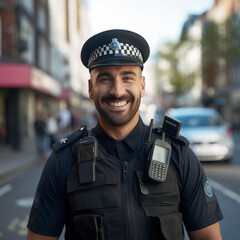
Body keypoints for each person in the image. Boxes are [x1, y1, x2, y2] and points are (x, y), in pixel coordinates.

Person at [26, 29, 223, 240]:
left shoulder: (178, 155)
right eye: (105, 79)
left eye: (127, 77)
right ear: (91, 88)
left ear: (142, 85)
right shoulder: (64, 159)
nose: (117, 91)